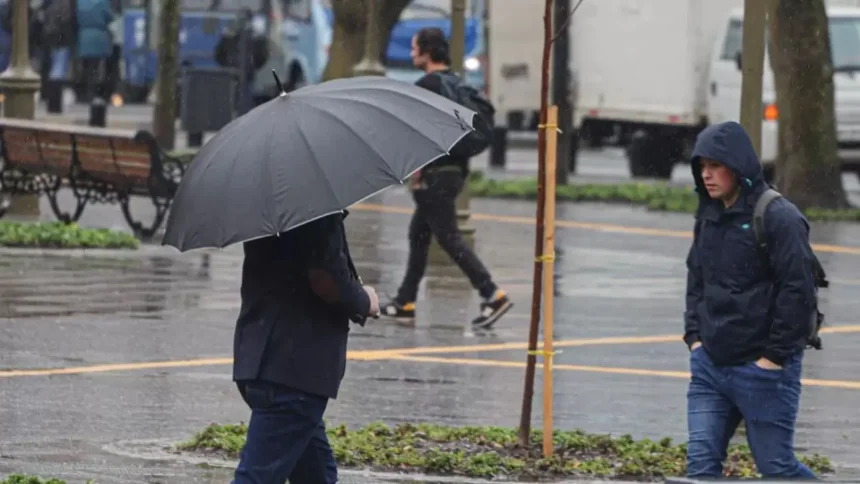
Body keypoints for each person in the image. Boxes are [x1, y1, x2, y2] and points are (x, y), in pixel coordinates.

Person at [683, 121, 818, 479]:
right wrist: (694, 338)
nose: (707, 175)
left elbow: (798, 291)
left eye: (715, 166)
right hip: (710, 367)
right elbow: (696, 277)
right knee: (700, 467)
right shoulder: (708, 215)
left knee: (777, 469)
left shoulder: (779, 217)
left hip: (763, 373)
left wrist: (772, 359)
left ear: (737, 167)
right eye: (702, 167)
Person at [232, 211, 379, 483]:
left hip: (260, 363)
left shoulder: (267, 209)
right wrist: (364, 300)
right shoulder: (317, 211)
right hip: (295, 375)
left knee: (318, 476)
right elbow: (326, 281)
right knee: (256, 478)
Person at [381, 27, 512, 330]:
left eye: (415, 49)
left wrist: (415, 169)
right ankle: (405, 301)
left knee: (450, 238)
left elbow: (417, 133)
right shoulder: (455, 83)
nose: (412, 54)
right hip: (454, 172)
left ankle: (492, 294)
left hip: (435, 175)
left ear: (426, 53)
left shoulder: (427, 84)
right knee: (419, 234)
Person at [75, 0, 114, 103]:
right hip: (99, 35)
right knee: (96, 67)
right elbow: (110, 17)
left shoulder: (80, 2)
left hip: (84, 35)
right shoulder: (103, 2)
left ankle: (84, 93)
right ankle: (94, 93)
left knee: (85, 66)